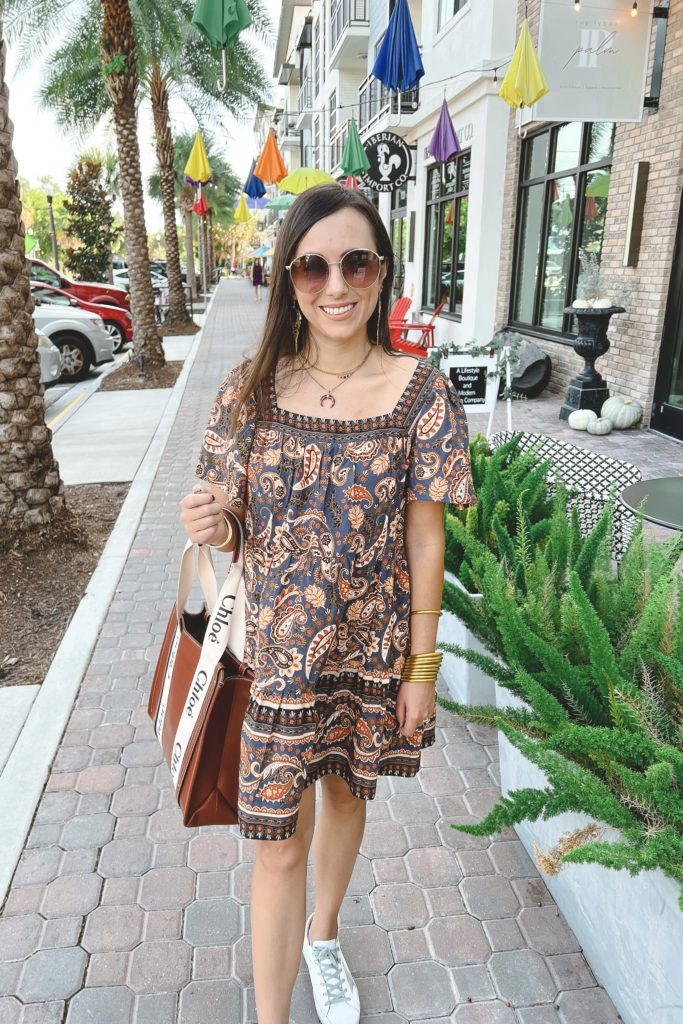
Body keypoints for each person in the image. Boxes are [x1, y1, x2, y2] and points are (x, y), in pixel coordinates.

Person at [180, 184, 476, 1024]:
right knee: (274, 847)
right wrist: (212, 520)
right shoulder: (250, 388)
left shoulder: (421, 393)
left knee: (348, 795)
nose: (334, 283)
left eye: (356, 261)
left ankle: (324, 934)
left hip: (373, 656)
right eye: (311, 265)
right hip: (277, 660)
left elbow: (425, 542)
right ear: (286, 277)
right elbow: (235, 526)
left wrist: (421, 669)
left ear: (382, 274)